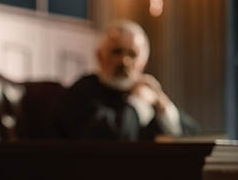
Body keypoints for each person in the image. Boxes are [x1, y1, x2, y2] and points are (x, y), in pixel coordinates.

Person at [58, 20, 198, 140]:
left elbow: (192, 135)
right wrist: (138, 103)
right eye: (116, 52)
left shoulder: (147, 91)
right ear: (100, 56)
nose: (124, 61)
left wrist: (163, 106)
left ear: (143, 61)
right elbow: (111, 138)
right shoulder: (83, 90)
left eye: (132, 54)